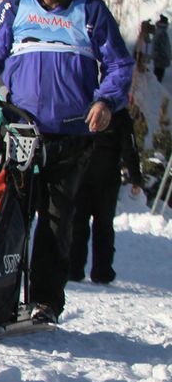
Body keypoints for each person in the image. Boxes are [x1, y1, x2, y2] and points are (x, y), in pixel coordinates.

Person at [0, 0, 134, 324]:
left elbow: (120, 64)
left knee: (56, 220)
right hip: (18, 133)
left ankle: (44, 303)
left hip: (71, 135)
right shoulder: (15, 5)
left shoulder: (91, 10)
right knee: (9, 217)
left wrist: (105, 101)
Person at [69, 103, 146, 285]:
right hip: (104, 175)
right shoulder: (118, 113)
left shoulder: (83, 104)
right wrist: (135, 178)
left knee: (79, 222)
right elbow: (130, 147)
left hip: (85, 173)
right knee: (102, 224)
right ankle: (101, 271)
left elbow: (129, 146)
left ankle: (75, 268)